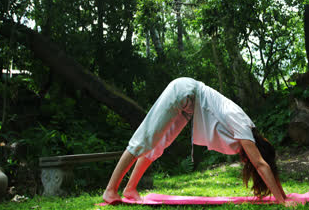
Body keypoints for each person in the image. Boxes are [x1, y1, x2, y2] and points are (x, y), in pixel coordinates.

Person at [102, 77, 291, 205]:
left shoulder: (247, 131)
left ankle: (130, 189)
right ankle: (110, 190)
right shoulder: (243, 128)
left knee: (158, 146)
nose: (244, 161)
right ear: (258, 150)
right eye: (247, 159)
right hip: (184, 92)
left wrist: (282, 195)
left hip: (189, 104)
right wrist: (283, 203)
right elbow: (261, 164)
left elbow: (267, 165)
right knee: (144, 139)